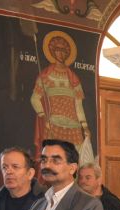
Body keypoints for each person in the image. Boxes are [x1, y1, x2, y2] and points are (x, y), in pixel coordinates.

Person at [31, 32, 93, 165]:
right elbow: (35, 98)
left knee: (76, 163)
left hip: (74, 126)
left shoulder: (73, 77)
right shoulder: (46, 75)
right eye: (58, 50)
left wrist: (85, 126)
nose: (60, 53)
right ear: (53, 51)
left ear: (67, 53)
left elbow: (78, 105)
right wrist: (44, 116)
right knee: (55, 162)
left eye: (64, 50)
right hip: (54, 124)